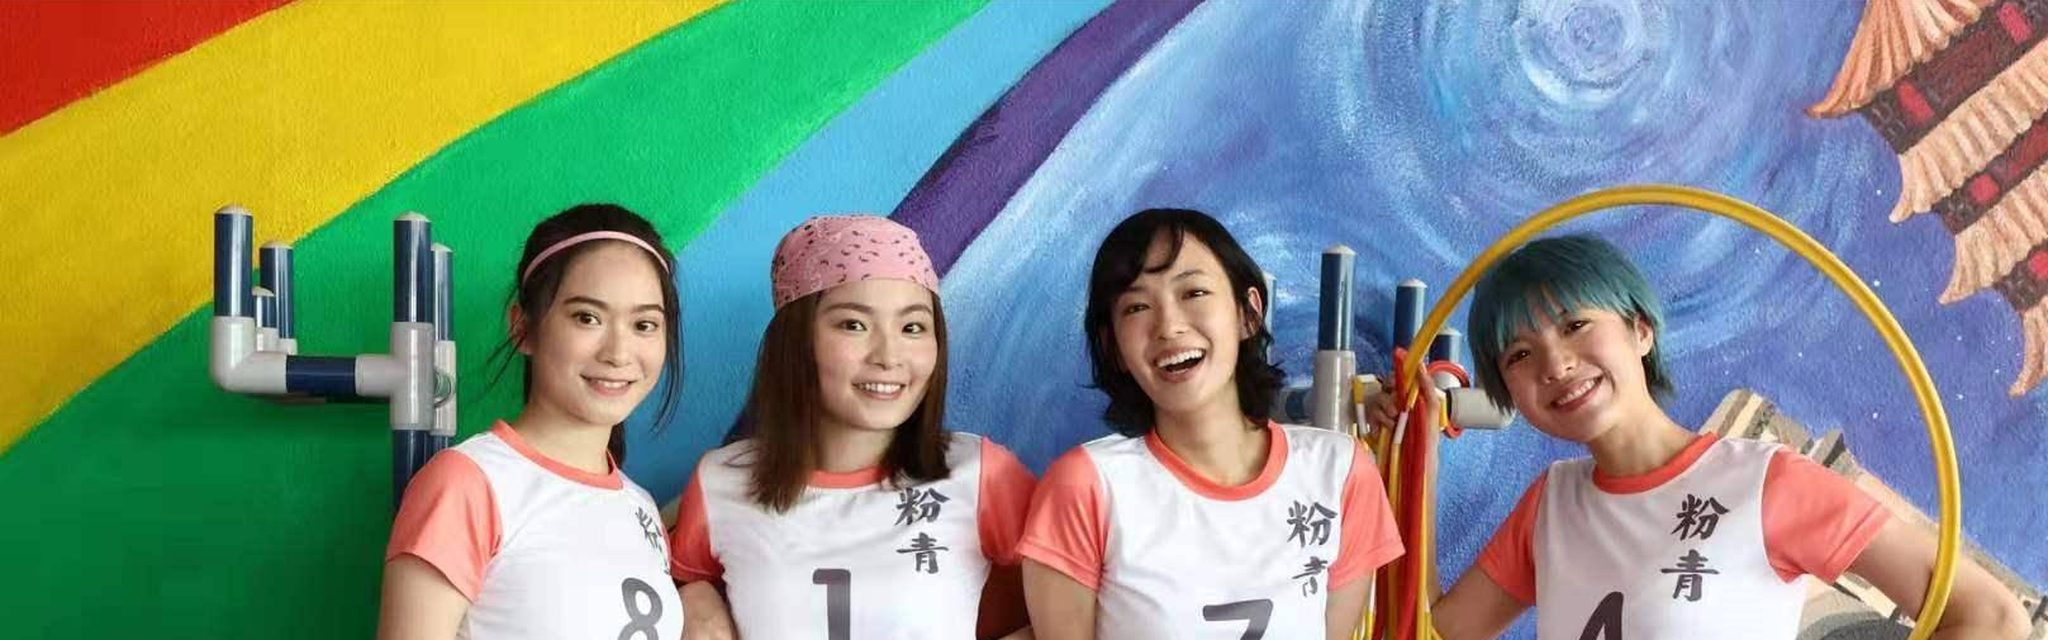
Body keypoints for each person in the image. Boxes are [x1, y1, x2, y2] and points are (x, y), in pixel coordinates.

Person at [1418, 234, 2029, 639]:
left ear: (1640, 331)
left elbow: (1991, 616)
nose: (1555, 364)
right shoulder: (1549, 505)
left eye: (1575, 325)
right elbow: (1437, 631)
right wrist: (1421, 453)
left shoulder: (1766, 482)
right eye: (1520, 354)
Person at [1022, 208, 1404, 639]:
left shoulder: (1340, 472)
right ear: (1113, 346)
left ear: (1248, 312)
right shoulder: (1085, 487)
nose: (1169, 326)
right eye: (1137, 306)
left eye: (1194, 292)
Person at [670, 214, 1036, 640]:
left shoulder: (982, 472)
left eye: (913, 327)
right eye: (854, 325)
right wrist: (692, 596)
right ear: (796, 341)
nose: (888, 356)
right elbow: (649, 578)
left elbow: (1087, 598)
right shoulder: (719, 480)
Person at [379, 203, 686, 639]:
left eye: (644, 324)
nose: (618, 353)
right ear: (522, 328)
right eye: (587, 318)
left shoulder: (641, 507)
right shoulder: (466, 484)